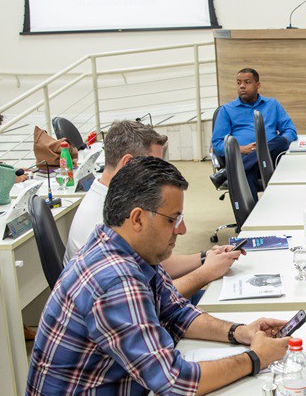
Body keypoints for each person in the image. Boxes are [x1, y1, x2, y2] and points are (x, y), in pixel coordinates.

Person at [17, 156, 291, 396]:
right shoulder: (115, 280)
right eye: (173, 219)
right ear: (137, 219)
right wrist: (256, 359)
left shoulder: (128, 250)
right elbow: (174, 383)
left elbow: (178, 312)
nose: (183, 230)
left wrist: (241, 333)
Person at [67, 118, 241, 299]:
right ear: (128, 165)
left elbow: (154, 264)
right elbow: (151, 299)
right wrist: (206, 273)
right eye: (153, 165)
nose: (160, 174)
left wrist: (205, 257)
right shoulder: (104, 221)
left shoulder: (116, 198)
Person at [211, 68, 297, 196]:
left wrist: (277, 143)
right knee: (248, 170)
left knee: (281, 141)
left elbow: (290, 130)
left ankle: (228, 172)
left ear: (258, 85)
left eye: (247, 82)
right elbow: (217, 144)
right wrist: (241, 149)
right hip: (243, 156)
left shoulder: (272, 104)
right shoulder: (226, 110)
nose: (242, 86)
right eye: (238, 83)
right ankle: (250, 215)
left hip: (272, 157)